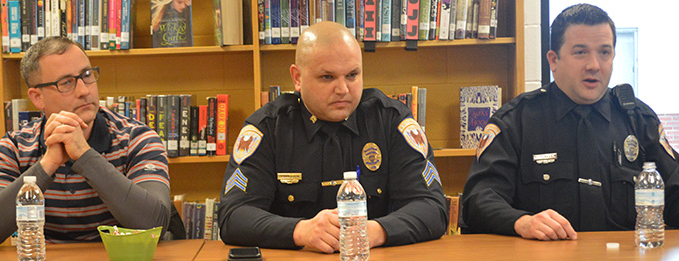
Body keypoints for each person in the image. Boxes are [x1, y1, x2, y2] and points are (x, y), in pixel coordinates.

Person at [217, 21, 447, 252]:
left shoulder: (391, 121)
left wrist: (375, 231)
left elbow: (433, 208)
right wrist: (300, 231)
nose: (343, 89)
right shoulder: (268, 128)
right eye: (327, 77)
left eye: (352, 75)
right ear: (297, 78)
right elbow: (233, 216)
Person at [462, 3, 679, 241]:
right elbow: (479, 200)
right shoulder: (516, 121)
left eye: (604, 52)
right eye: (580, 52)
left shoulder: (637, 119)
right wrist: (521, 222)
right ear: (553, 61)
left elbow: (674, 192)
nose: (594, 65)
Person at [0, 36, 171, 249]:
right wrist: (47, 165)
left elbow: (154, 226)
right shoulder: (14, 148)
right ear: (37, 98)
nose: (84, 90)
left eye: (87, 75)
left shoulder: (137, 138)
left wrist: (84, 156)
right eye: (66, 82)